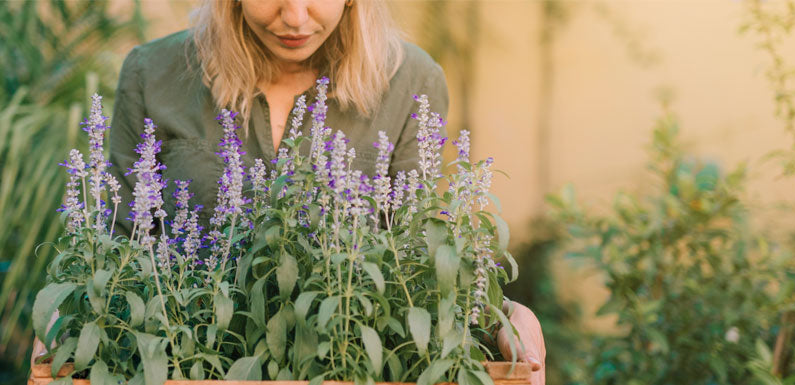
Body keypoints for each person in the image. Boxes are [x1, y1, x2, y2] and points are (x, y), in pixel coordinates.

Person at [33, 1, 545, 384]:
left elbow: (416, 255)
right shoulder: (155, 73)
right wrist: (69, 317)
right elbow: (123, 241)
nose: (295, 17)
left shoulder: (410, 78)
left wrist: (500, 315)